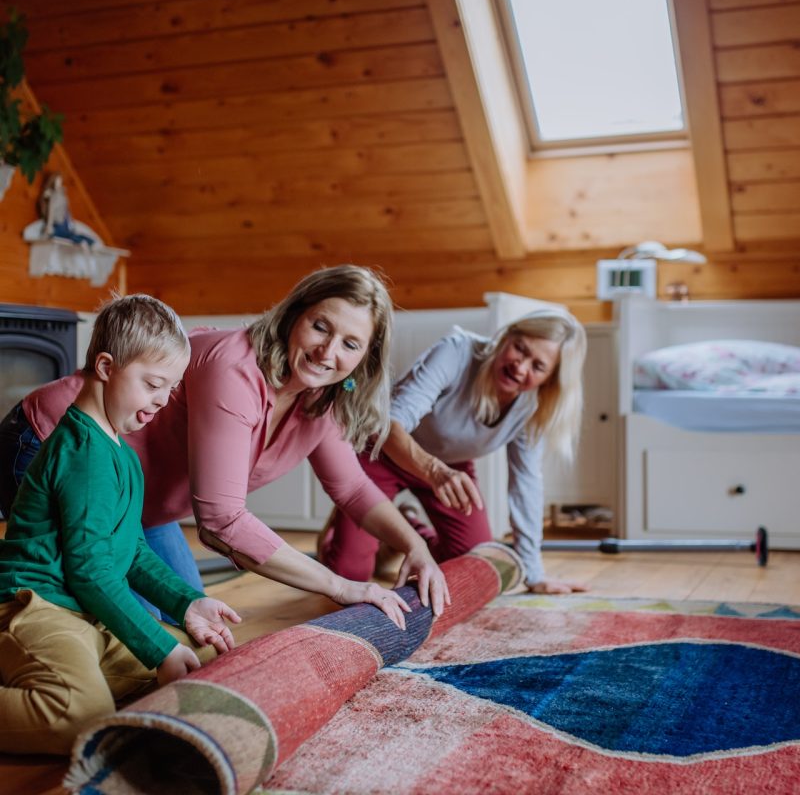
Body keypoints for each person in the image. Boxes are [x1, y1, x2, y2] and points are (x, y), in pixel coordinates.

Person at [0, 265, 449, 620]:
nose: (328, 353)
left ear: (365, 358)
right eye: (321, 327)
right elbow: (220, 520)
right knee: (129, 629)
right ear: (295, 314)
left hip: (140, 500)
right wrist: (340, 586)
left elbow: (351, 489)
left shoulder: (321, 398)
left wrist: (417, 548)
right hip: (56, 447)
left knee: (191, 621)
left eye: (351, 344)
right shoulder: (234, 368)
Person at [0, 294, 241, 756]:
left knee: (195, 663)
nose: (161, 401)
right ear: (107, 367)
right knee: (78, 718)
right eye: (153, 384)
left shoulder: (122, 454)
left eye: (169, 390)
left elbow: (130, 550)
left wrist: (188, 603)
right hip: (38, 606)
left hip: (82, 613)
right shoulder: (83, 454)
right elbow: (91, 572)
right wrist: (158, 649)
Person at [321, 307, 589, 594]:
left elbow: (526, 484)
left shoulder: (531, 407)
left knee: (474, 565)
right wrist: (434, 471)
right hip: (384, 453)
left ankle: (402, 531)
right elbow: (392, 422)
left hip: (450, 469)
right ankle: (334, 540)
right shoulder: (457, 351)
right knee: (351, 575)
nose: (520, 367)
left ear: (549, 379)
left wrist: (534, 574)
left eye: (538, 367)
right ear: (507, 336)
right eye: (520, 349)